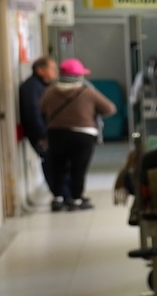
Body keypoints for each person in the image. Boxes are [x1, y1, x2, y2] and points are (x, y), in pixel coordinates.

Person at [41, 58, 116, 212]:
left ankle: (58, 199)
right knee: (78, 169)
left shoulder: (50, 91)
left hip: (56, 134)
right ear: (78, 76)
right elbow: (109, 108)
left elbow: (42, 107)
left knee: (58, 167)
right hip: (83, 135)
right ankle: (75, 200)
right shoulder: (87, 91)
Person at [18, 56, 56, 200]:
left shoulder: (42, 85)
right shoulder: (32, 87)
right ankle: (59, 195)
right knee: (50, 162)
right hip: (41, 135)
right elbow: (33, 113)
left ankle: (64, 194)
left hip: (47, 132)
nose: (55, 72)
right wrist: (43, 136)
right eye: (52, 68)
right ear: (40, 70)